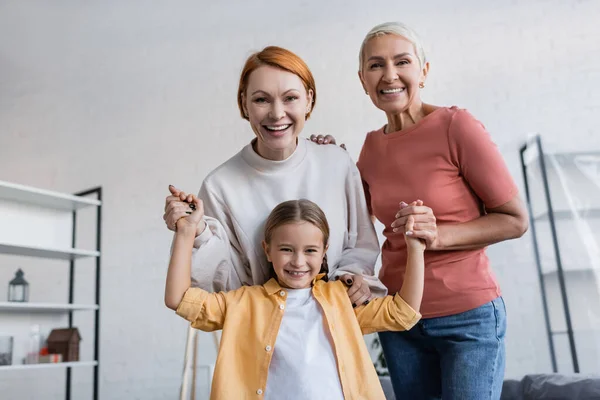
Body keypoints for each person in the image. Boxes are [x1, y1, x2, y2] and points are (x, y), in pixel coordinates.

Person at [354, 22, 529, 400]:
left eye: (402, 62)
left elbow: (515, 219)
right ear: (363, 79)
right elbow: (351, 227)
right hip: (400, 320)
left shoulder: (456, 126)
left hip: (467, 318)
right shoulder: (369, 148)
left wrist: (438, 235)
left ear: (424, 71)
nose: (389, 75)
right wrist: (320, 153)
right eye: (375, 65)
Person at [164, 46, 387, 306]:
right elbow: (220, 285)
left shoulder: (336, 163)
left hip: (335, 329)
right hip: (261, 336)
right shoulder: (220, 186)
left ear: (309, 100)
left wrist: (351, 278)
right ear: (244, 103)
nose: (277, 113)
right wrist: (197, 232)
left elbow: (361, 243)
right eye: (261, 99)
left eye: (290, 98)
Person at [165, 198, 425, 399]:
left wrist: (415, 248)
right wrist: (186, 233)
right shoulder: (242, 303)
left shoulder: (340, 299)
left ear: (324, 250)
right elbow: (178, 299)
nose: (298, 261)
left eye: (310, 250)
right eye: (286, 249)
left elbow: (402, 313)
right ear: (267, 250)